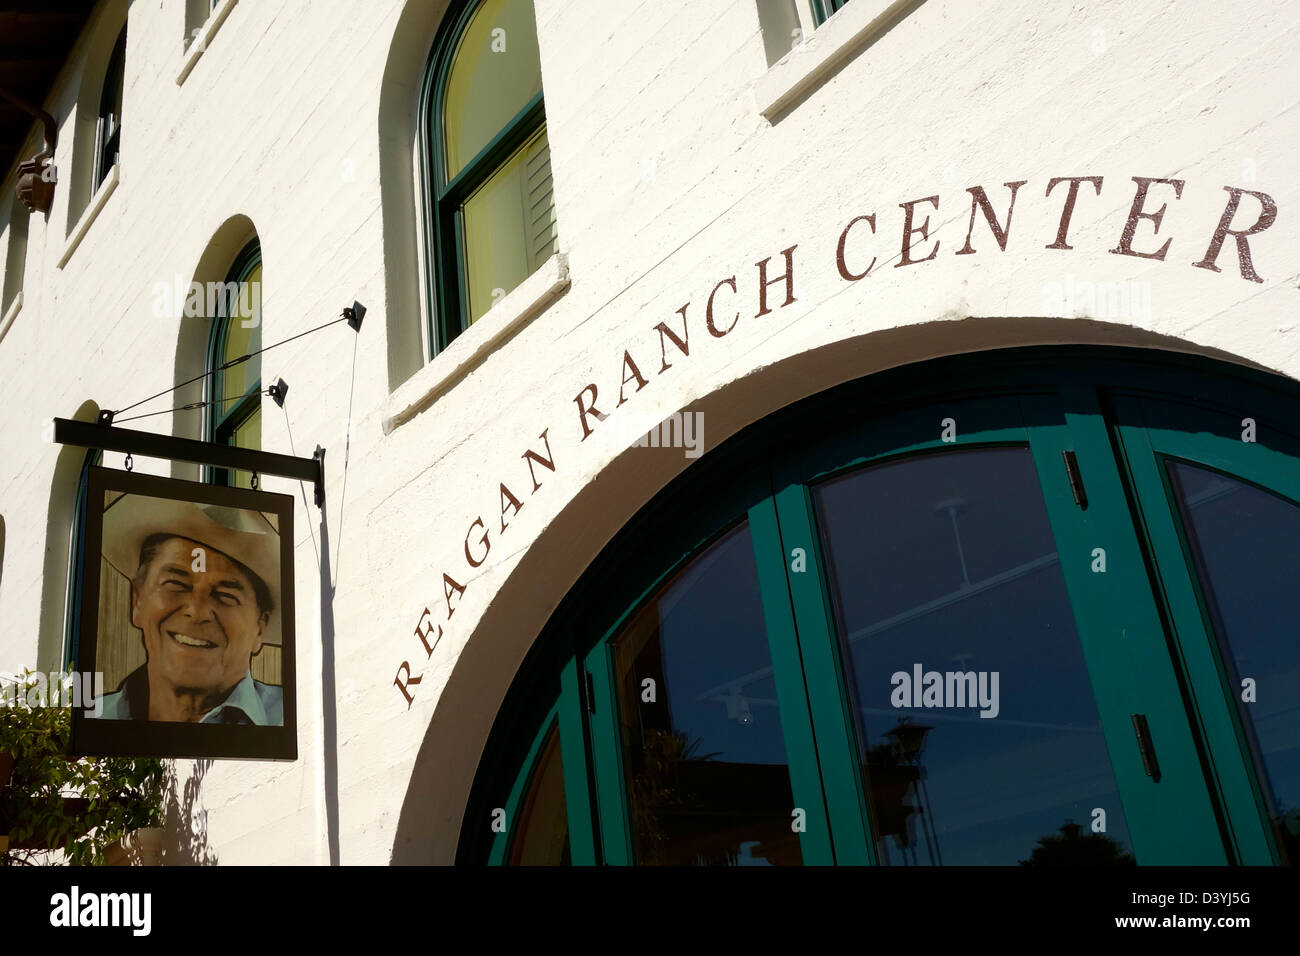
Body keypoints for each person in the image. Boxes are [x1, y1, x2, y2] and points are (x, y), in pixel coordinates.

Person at [94, 494, 283, 725]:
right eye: (175, 584)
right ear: (137, 600)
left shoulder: (292, 718)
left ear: (259, 629)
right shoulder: (95, 720)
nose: (197, 611)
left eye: (226, 596)